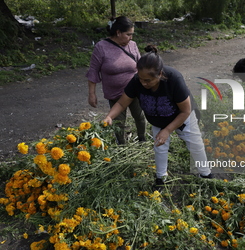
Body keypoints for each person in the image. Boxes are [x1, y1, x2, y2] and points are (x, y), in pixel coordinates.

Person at [103, 45, 212, 188]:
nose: (143, 83)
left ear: (160, 74)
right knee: (159, 147)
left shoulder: (174, 79)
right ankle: (161, 178)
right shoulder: (137, 81)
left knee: (195, 145)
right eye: (141, 79)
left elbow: (185, 111)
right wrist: (110, 116)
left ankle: (206, 175)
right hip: (158, 120)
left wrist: (168, 130)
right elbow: (122, 103)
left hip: (182, 117)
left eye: (148, 80)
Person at [86, 16, 146, 144]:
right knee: (119, 122)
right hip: (115, 94)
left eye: (132, 34)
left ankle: (143, 139)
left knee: (140, 117)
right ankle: (122, 145)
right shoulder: (101, 47)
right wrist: (92, 94)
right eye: (128, 34)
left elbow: (140, 66)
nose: (131, 38)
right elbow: (93, 71)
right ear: (118, 32)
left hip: (134, 91)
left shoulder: (132, 45)